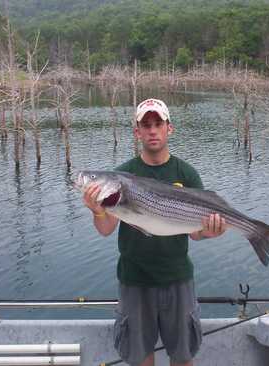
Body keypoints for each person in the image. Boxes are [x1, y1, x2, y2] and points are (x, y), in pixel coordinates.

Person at [83, 98, 226, 366]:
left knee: (182, 357)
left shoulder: (186, 173)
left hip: (177, 279)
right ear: (137, 132)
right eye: (145, 125)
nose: (152, 130)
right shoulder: (122, 175)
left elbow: (195, 234)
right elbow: (105, 229)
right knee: (140, 359)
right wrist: (97, 210)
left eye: (158, 124)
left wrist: (210, 231)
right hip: (135, 280)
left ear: (168, 128)